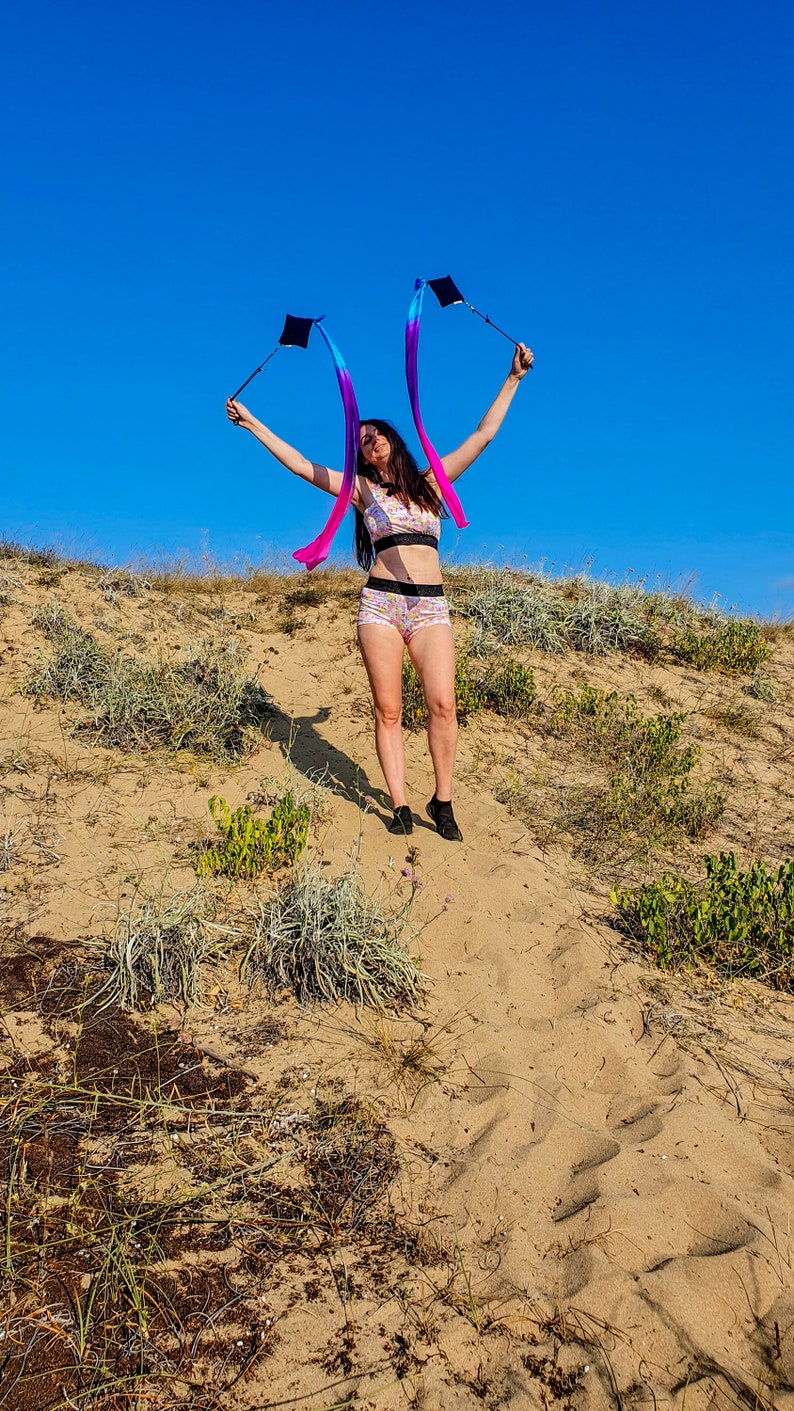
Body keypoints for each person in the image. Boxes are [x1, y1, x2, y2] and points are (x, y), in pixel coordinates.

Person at [226, 342, 533, 841]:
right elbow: (304, 466)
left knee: (443, 705)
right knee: (388, 709)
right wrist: (253, 423)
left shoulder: (433, 483)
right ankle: (400, 803)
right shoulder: (361, 490)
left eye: (378, 435)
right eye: (363, 439)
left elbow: (483, 435)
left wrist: (513, 377)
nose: (370, 441)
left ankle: (444, 800)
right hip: (381, 605)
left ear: (393, 440)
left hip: (430, 605)